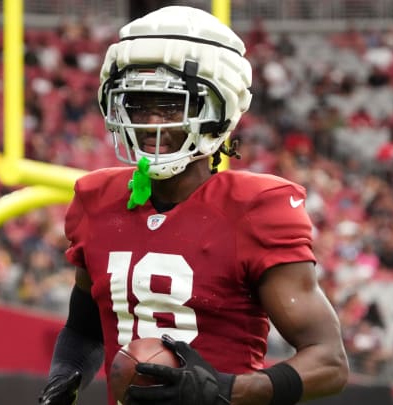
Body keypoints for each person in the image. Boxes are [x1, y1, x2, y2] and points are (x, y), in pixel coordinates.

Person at [39, 6, 348, 405]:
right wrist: (65, 377)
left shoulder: (255, 209)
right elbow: (83, 329)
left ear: (218, 111)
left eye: (169, 106)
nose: (151, 122)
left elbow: (330, 362)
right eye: (137, 103)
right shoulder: (96, 200)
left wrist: (225, 390)